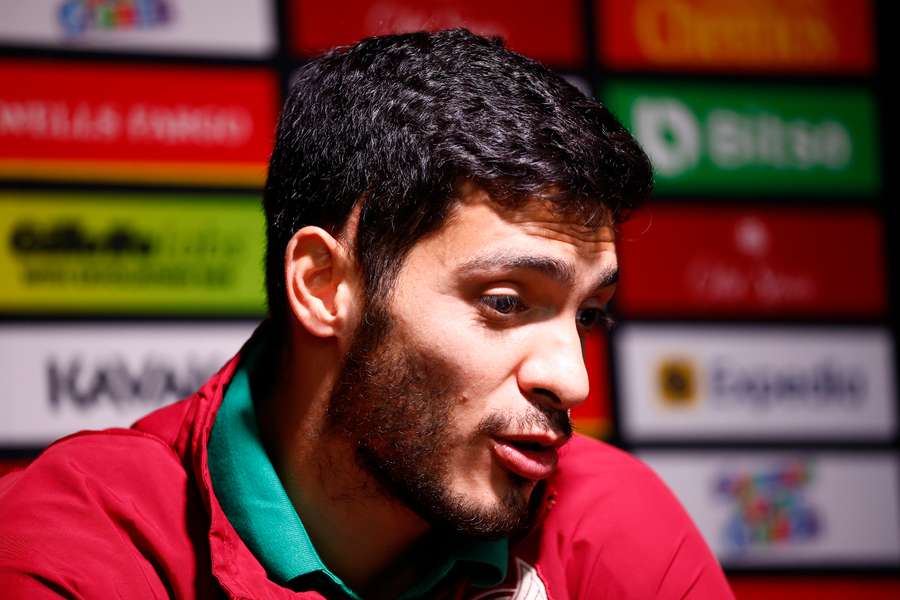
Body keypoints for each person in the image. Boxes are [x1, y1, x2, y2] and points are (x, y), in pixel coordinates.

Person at [0, 29, 733, 599]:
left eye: (589, 316)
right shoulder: (83, 545)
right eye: (505, 302)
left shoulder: (611, 524)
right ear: (324, 285)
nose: (571, 379)